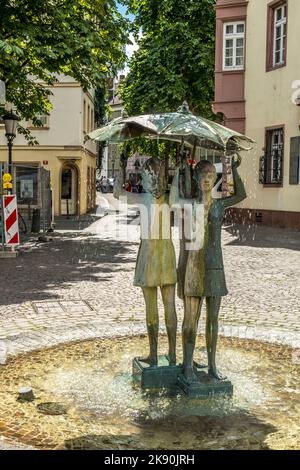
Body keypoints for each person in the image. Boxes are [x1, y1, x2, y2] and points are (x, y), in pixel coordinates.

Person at [172, 155, 246, 382]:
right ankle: (187, 365)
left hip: (215, 266)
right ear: (196, 179)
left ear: (215, 179)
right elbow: (173, 199)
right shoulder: (190, 205)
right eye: (202, 175)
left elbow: (241, 195)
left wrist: (232, 169)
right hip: (194, 267)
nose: (206, 178)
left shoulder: (219, 204)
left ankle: (212, 365)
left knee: (213, 319)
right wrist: (179, 170)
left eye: (210, 175)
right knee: (190, 319)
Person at [114, 156, 177, 366]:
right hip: (166, 254)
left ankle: (153, 354)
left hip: (150, 254)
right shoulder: (169, 197)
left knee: (153, 307)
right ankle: (173, 354)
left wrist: (119, 168)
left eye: (144, 176)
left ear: (151, 177)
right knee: (169, 306)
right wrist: (180, 172)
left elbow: (117, 193)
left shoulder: (144, 199)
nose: (142, 180)